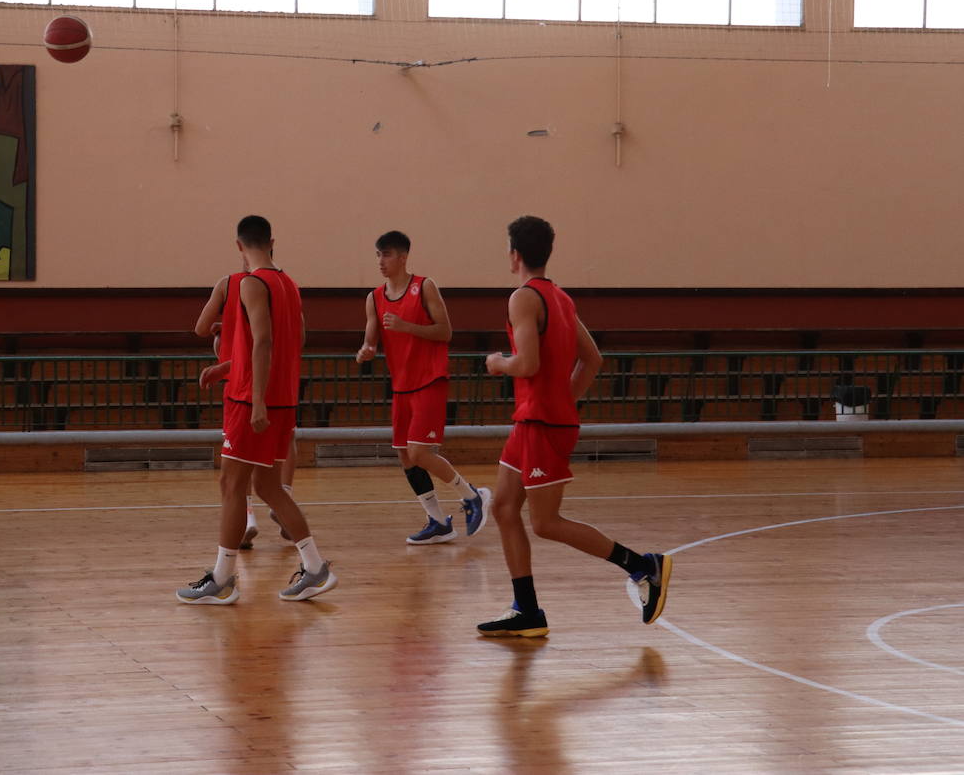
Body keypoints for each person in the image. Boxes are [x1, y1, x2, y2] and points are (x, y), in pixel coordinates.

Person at [476, 216, 671, 638]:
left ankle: (642, 565)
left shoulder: (523, 298)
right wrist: (563, 398)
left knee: (546, 523)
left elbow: (526, 363)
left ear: (515, 254)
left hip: (542, 422)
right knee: (504, 507)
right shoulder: (560, 298)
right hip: (535, 419)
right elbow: (593, 358)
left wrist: (497, 363)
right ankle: (525, 609)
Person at [178, 215, 336, 604]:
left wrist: (258, 398)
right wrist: (226, 368)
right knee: (267, 486)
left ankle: (222, 579)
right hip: (281, 398)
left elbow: (264, 342)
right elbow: (285, 344)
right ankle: (315, 568)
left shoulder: (250, 283)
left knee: (231, 485)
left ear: (238, 246)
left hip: (253, 400)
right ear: (271, 242)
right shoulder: (289, 285)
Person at [356, 231, 491, 544]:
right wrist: (366, 349)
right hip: (401, 385)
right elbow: (370, 338)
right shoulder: (373, 298)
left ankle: (472, 496)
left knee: (418, 452)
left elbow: (445, 332)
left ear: (403, 257)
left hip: (429, 379)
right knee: (405, 456)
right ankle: (436, 522)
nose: (380, 261)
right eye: (377, 254)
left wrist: (407, 327)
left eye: (386, 254)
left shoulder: (424, 286)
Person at [194, 276, 296, 548]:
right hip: (278, 383)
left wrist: (226, 326)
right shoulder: (286, 286)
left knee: (235, 470)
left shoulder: (229, 284)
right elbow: (297, 338)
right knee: (273, 462)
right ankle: (311, 558)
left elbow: (201, 328)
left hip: (243, 386)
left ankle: (248, 519)